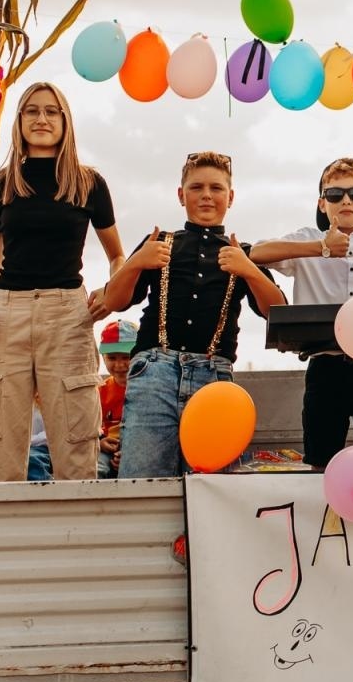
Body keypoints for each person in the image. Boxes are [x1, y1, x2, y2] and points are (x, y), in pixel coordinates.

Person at [0, 82, 125, 482]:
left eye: (52, 111)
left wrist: (110, 290)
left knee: (76, 447)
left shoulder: (90, 184)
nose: (41, 118)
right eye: (31, 111)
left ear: (65, 121)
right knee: (1, 449)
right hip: (5, 317)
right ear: (18, 122)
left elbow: (117, 256)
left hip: (67, 314)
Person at [105, 151, 287, 477]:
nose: (206, 195)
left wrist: (250, 271)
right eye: (196, 187)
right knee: (143, 474)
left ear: (230, 197)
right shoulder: (159, 242)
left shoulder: (241, 252)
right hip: (153, 373)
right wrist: (135, 262)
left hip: (213, 376)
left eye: (216, 188)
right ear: (181, 195)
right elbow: (116, 301)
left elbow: (276, 311)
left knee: (211, 483)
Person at [250, 157, 353, 469]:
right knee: (320, 460)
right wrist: (320, 247)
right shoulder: (307, 238)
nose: (346, 200)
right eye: (335, 195)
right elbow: (256, 253)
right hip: (324, 365)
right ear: (322, 203)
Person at [96, 319, 137, 478]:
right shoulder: (100, 391)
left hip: (138, 447)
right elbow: (92, 426)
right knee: (96, 468)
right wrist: (100, 442)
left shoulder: (149, 390)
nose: (119, 365)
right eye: (112, 358)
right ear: (103, 358)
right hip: (108, 449)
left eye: (126, 357)